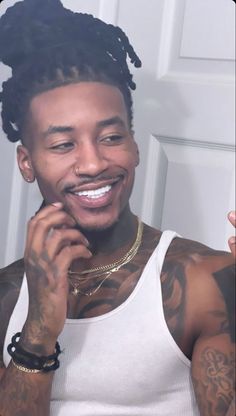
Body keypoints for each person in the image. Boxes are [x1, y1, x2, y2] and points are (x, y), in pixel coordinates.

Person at [0, 1, 235, 415]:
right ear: (27, 162)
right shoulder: (7, 295)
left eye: (111, 137)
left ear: (135, 146)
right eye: (62, 144)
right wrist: (37, 330)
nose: (93, 164)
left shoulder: (202, 279)